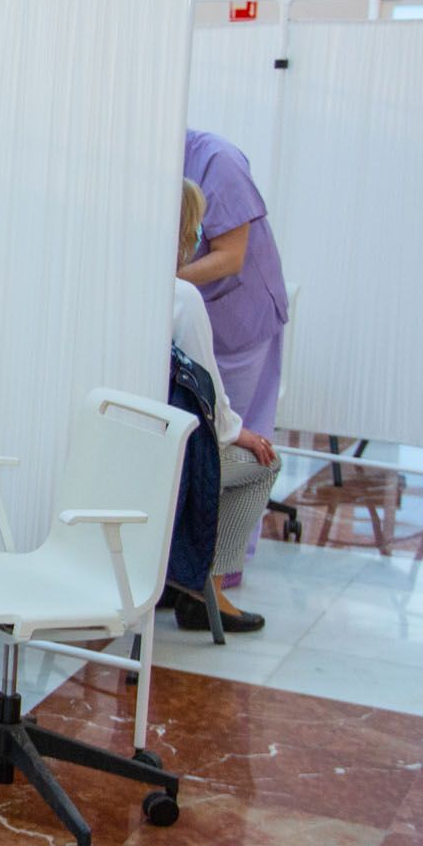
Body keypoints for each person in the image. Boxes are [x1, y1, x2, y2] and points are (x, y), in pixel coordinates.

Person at [169, 180, 281, 632]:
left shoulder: (108, 288)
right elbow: (206, 392)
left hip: (103, 452)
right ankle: (205, 591)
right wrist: (242, 434)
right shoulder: (182, 299)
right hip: (162, 464)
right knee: (261, 465)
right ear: (185, 233)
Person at [182, 128, 289, 582]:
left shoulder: (216, 161)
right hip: (194, 313)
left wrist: (166, 278)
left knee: (238, 442)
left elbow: (230, 256)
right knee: (209, 434)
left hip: (239, 318)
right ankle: (185, 569)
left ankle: (216, 574)